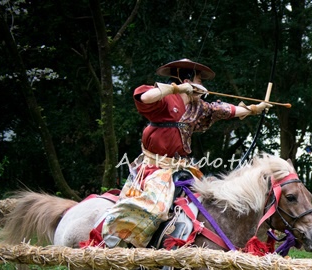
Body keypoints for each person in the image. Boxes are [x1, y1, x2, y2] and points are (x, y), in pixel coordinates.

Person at [102, 58, 271, 249]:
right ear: (187, 80)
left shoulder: (198, 106)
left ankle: (190, 240)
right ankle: (128, 244)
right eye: (199, 81)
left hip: (182, 168)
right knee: (154, 209)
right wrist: (178, 89)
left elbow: (225, 110)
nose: (202, 86)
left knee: (206, 201)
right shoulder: (165, 98)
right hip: (155, 169)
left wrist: (253, 109)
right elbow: (145, 97)